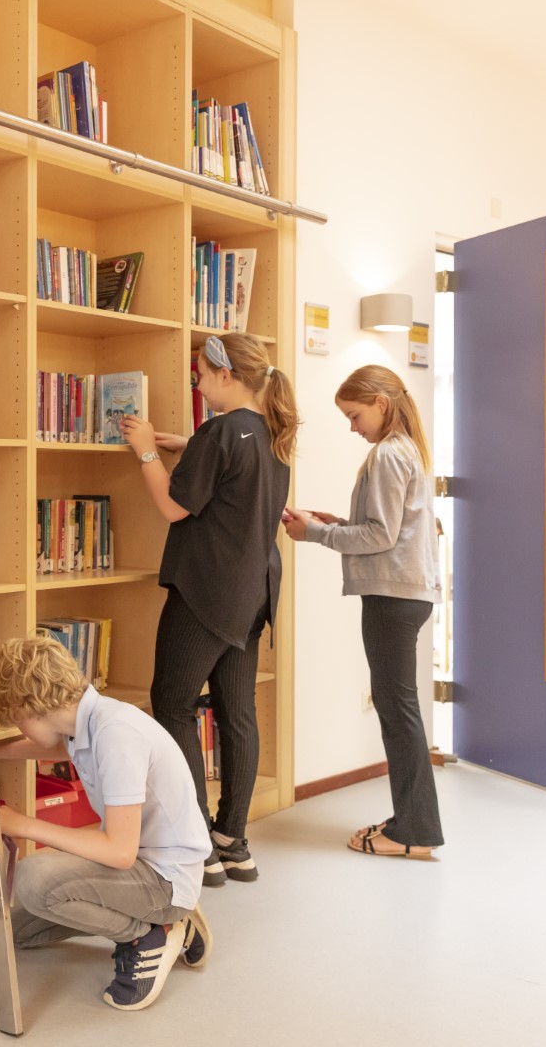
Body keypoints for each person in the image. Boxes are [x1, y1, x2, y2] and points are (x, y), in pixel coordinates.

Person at [120, 333, 296, 886]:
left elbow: (174, 506)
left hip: (207, 592)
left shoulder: (221, 432)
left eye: (200, 374)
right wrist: (188, 445)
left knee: (172, 705)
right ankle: (232, 841)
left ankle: (196, 842)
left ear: (224, 373)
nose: (196, 383)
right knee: (237, 714)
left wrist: (147, 450)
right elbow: (229, 482)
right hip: (253, 594)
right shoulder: (270, 433)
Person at [0, 637, 213, 1012]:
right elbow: (61, 748)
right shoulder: (89, 722)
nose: (19, 730)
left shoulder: (117, 735)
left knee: (34, 879)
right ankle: (164, 921)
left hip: (162, 878)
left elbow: (119, 853)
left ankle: (153, 932)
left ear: (29, 705)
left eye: (15, 720)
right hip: (141, 864)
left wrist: (22, 825)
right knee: (21, 932)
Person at [283, 364, 444, 860]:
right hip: (402, 594)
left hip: (393, 597)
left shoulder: (389, 454)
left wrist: (314, 533)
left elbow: (381, 536)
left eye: (355, 415)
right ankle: (410, 822)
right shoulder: (403, 451)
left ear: (380, 403)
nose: (353, 426)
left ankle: (413, 832)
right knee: (400, 712)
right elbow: (383, 526)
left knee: (398, 714)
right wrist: (339, 522)